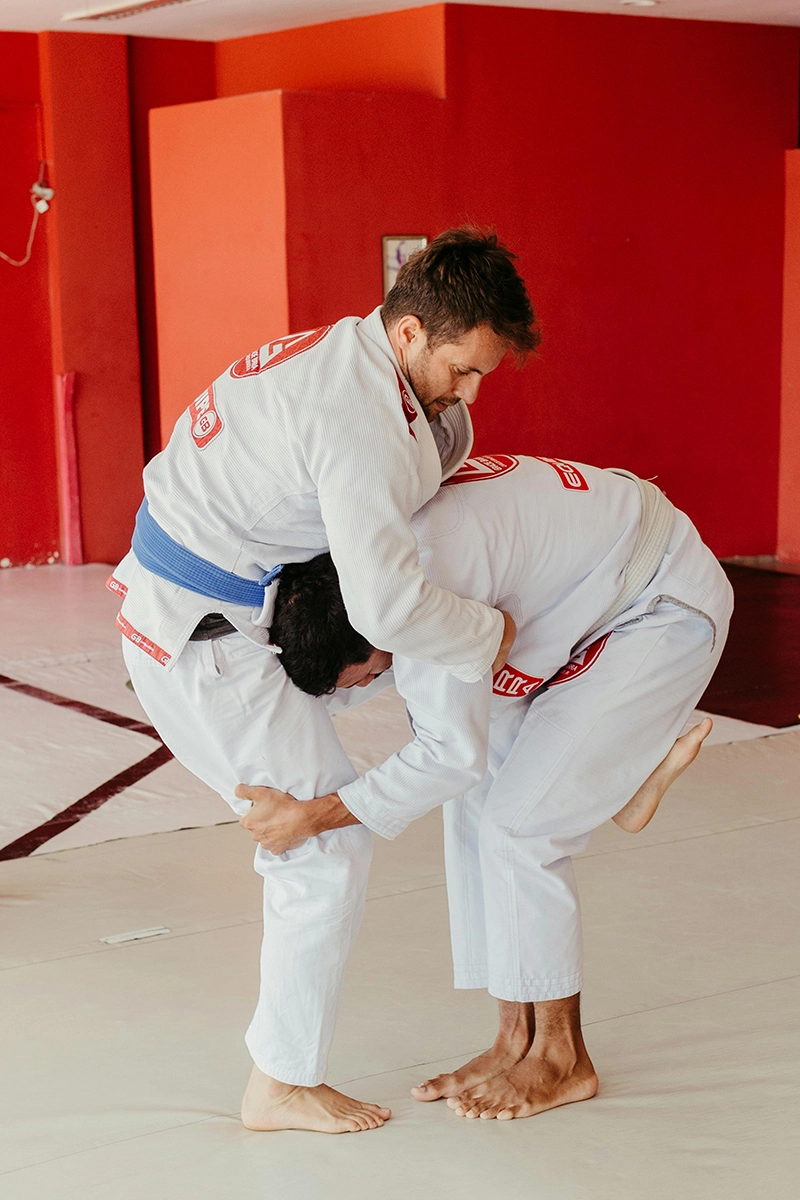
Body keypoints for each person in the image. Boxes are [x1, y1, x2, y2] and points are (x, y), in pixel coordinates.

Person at [115, 230, 537, 1134]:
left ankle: (283, 1070)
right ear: (412, 330)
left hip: (210, 606)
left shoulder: (355, 354)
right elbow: (387, 607)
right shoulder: (356, 414)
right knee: (319, 846)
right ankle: (280, 1084)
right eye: (462, 369)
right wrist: (492, 634)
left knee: (326, 797)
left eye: (483, 375)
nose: (470, 391)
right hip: (202, 643)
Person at [236, 452, 733, 1122]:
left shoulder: (419, 598)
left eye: (369, 675)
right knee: (476, 808)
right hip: (574, 598)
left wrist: (313, 817)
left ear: (378, 632)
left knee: (520, 828)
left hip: (658, 603)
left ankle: (562, 1058)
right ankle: (513, 1040)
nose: (375, 684)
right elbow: (440, 752)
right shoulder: (348, 567)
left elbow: (449, 756)